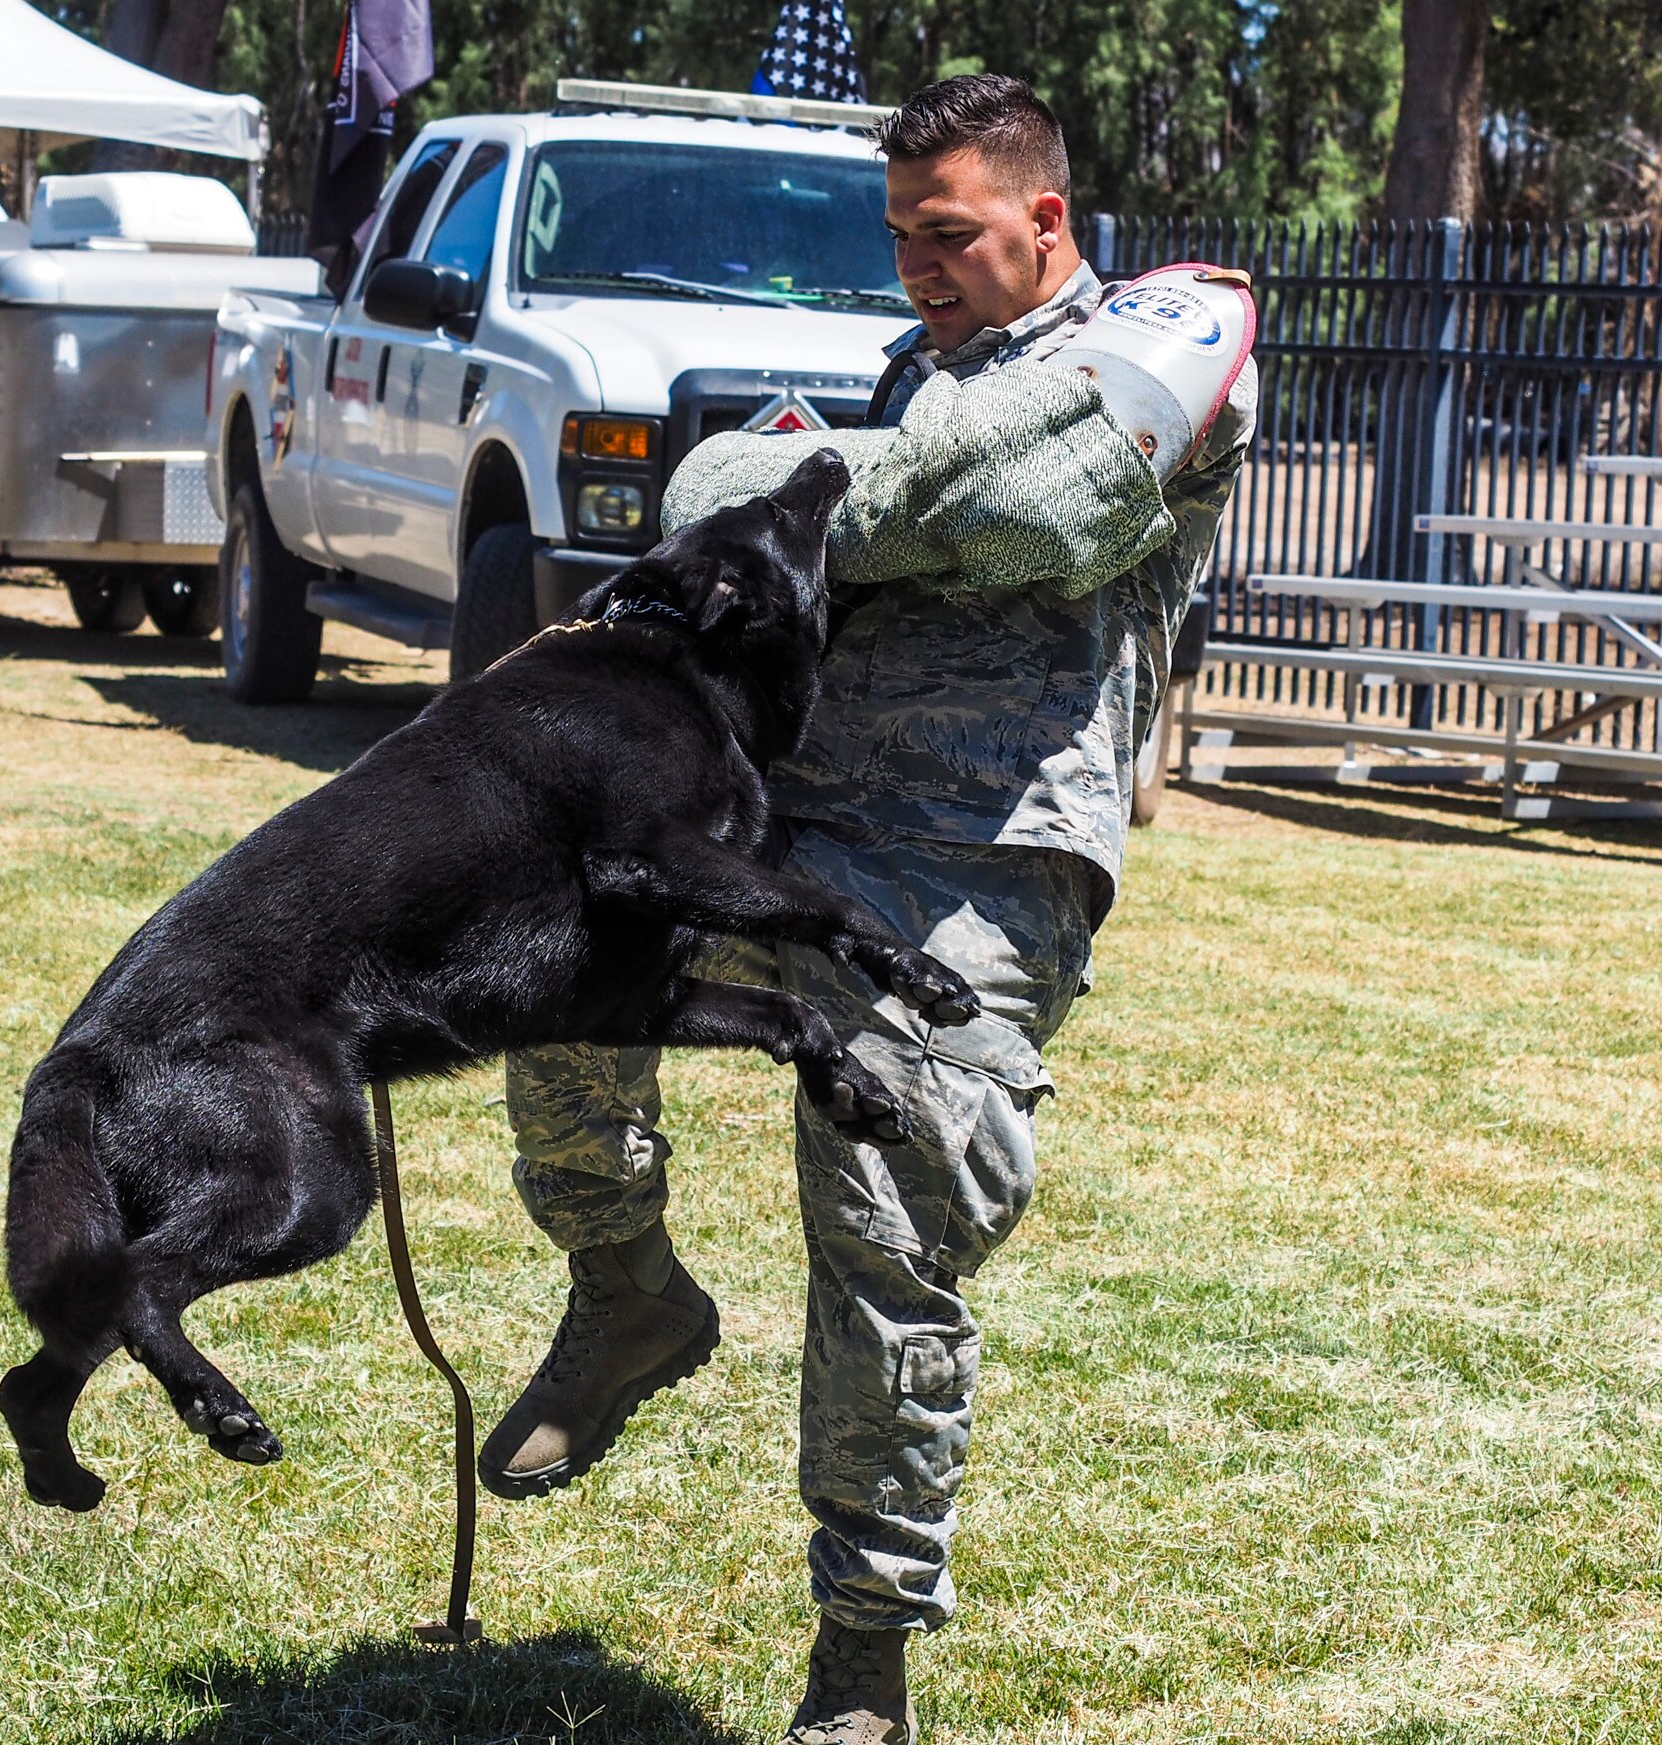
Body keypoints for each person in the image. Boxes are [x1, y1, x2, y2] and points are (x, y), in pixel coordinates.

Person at [481, 73, 1258, 1744]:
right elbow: (696, 504)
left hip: (982, 871)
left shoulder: (1163, 351)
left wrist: (816, 494)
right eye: (899, 230)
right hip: (792, 825)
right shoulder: (919, 383)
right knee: (557, 962)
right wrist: (842, 483)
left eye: (952, 230)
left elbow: (1031, 503)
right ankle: (626, 1284)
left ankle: (863, 1659)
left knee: (887, 1210)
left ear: (1046, 218)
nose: (915, 260)